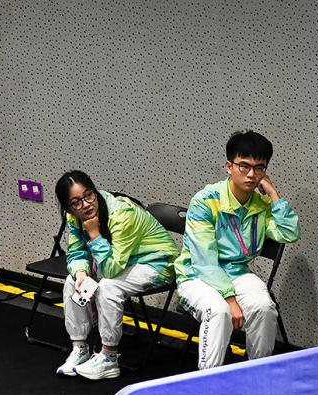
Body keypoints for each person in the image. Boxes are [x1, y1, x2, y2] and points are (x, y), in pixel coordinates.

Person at [173, 130, 299, 369]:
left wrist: (273, 194)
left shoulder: (261, 204)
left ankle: (256, 375)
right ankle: (207, 382)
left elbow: (289, 233)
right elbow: (204, 262)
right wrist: (230, 299)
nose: (252, 174)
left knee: (264, 308)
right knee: (218, 311)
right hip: (196, 275)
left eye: (259, 168)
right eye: (244, 166)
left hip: (237, 272)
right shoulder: (206, 201)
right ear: (229, 166)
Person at [54, 170, 179, 380]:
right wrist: (82, 273)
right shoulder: (74, 217)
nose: (85, 205)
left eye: (88, 195)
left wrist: (93, 234)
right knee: (72, 281)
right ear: (68, 207)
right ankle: (80, 348)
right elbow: (76, 252)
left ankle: (109, 358)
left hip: (157, 263)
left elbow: (111, 270)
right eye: (76, 202)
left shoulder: (122, 214)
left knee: (108, 287)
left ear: (95, 192)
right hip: (121, 262)